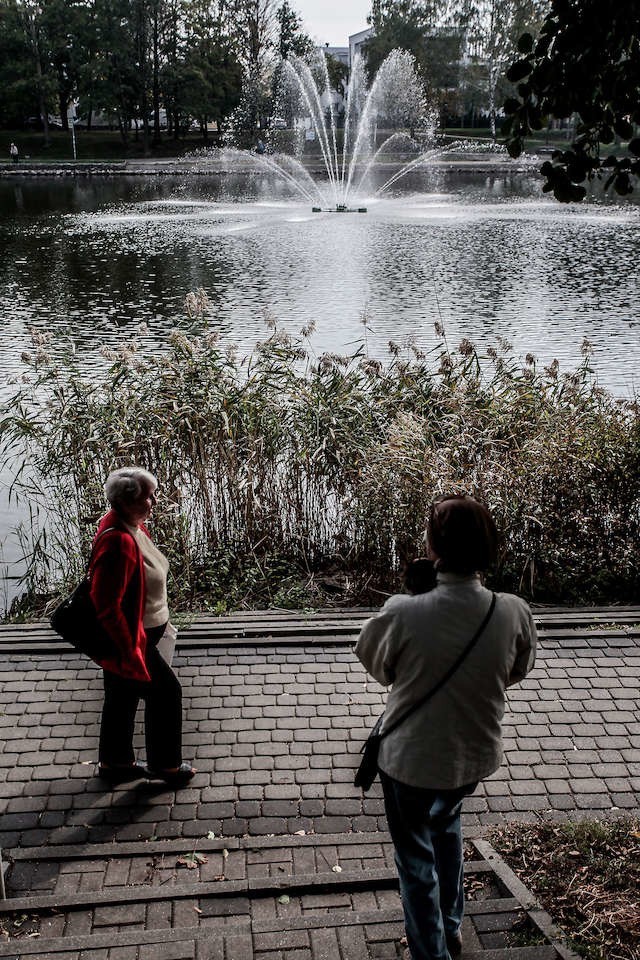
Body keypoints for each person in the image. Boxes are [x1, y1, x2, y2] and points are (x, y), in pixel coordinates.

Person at [355, 494, 536, 960]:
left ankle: (430, 950)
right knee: (447, 822)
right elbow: (517, 670)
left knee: (415, 856)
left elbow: (378, 665)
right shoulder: (511, 609)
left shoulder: (402, 610)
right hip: (472, 755)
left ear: (433, 547)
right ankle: (452, 927)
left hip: (408, 758)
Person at [90, 466, 195, 786]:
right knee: (166, 694)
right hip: (130, 640)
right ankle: (166, 766)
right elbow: (107, 606)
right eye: (149, 496)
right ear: (127, 501)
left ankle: (115, 762)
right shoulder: (118, 541)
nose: (155, 501)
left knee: (120, 696)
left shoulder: (131, 525)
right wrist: (129, 651)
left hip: (140, 633)